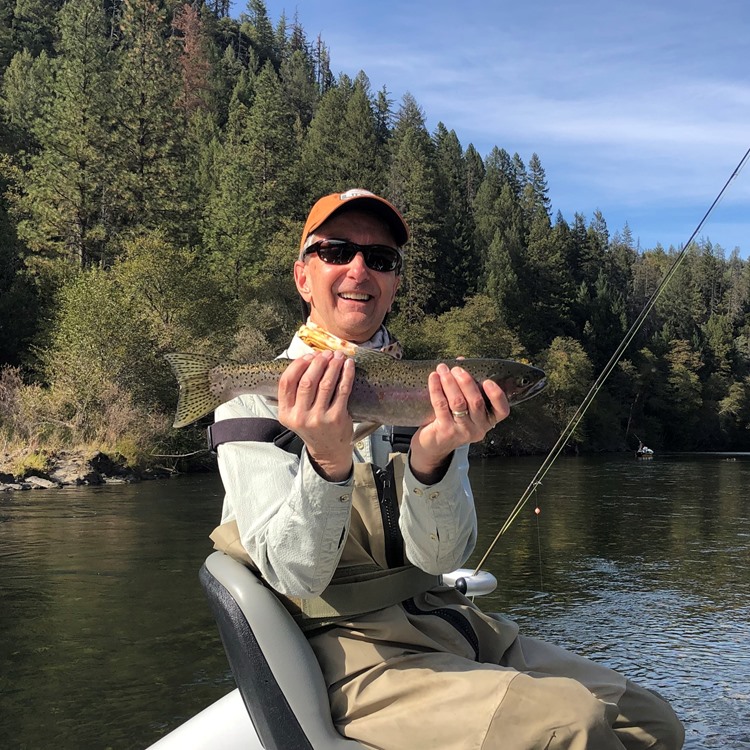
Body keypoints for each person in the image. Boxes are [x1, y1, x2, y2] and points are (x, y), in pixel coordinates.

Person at [210, 189, 685, 749]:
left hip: (447, 622)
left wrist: (432, 459)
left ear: (394, 283)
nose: (359, 269)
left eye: (381, 259)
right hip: (350, 656)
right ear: (302, 277)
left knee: (653, 725)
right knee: (570, 724)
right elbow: (296, 578)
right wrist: (327, 461)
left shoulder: (431, 394)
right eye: (337, 251)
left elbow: (441, 559)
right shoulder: (249, 403)